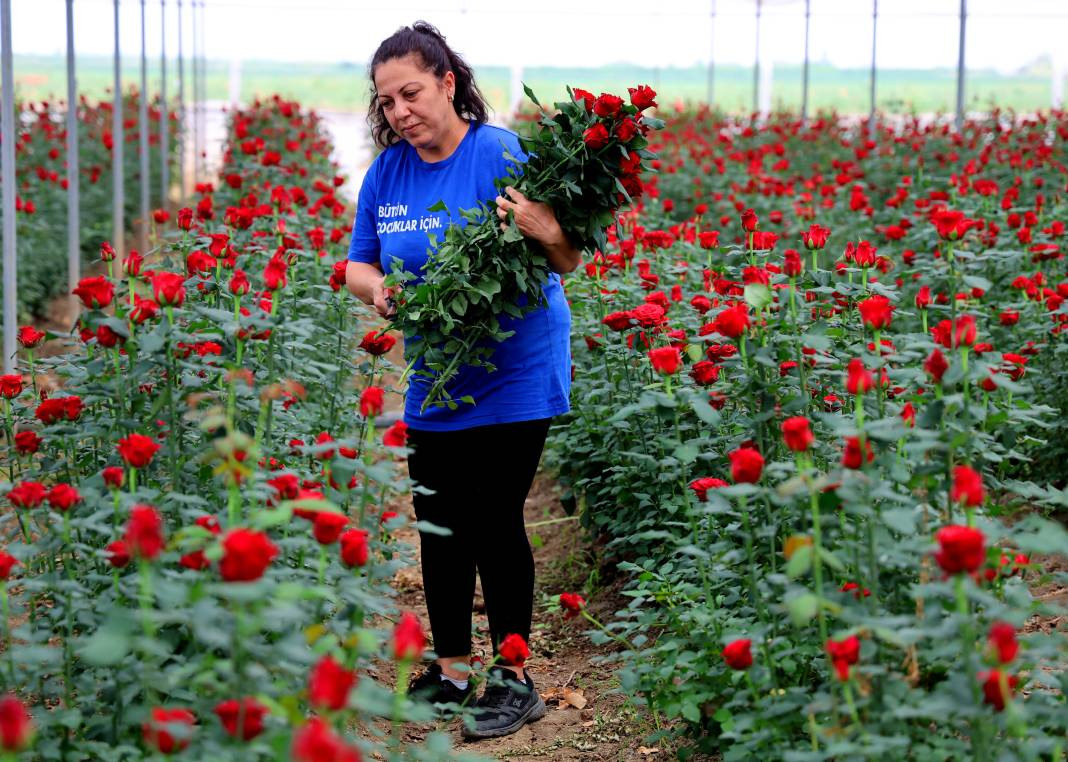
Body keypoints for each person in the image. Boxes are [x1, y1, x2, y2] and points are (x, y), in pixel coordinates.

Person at [344, 21, 580, 740]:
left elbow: (567, 257)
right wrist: (381, 293)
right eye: (386, 102)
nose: (400, 112)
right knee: (440, 526)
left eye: (411, 93)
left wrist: (544, 228)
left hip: (516, 367)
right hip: (438, 373)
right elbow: (359, 263)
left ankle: (513, 678)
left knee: (493, 516)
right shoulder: (388, 172)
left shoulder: (500, 152)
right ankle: (449, 671)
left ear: (448, 82)